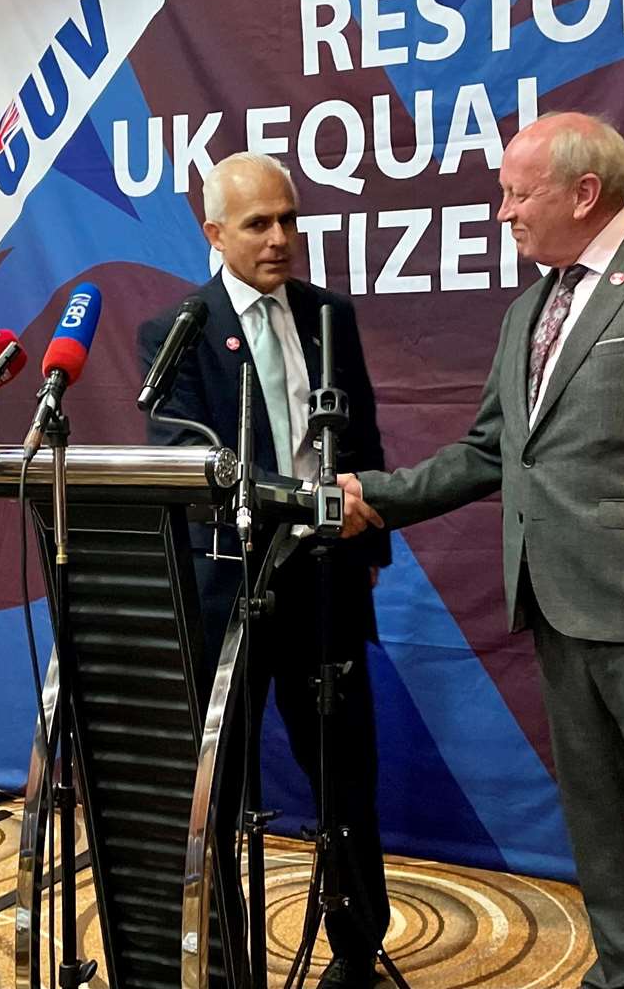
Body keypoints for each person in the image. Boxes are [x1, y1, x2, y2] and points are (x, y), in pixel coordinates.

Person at [340, 113, 624, 989]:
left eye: (518, 193)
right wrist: (376, 497)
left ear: (585, 193)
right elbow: (489, 452)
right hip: (557, 608)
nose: (502, 211)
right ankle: (623, 977)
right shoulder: (529, 309)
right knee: (599, 825)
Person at [137, 152, 390, 989]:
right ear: (214, 233)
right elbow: (190, 466)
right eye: (258, 224)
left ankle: (356, 950)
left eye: (289, 218)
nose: (280, 238)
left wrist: (369, 554)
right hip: (228, 596)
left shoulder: (329, 316)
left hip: (328, 587)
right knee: (220, 794)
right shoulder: (175, 332)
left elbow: (364, 448)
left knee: (347, 779)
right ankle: (226, 965)